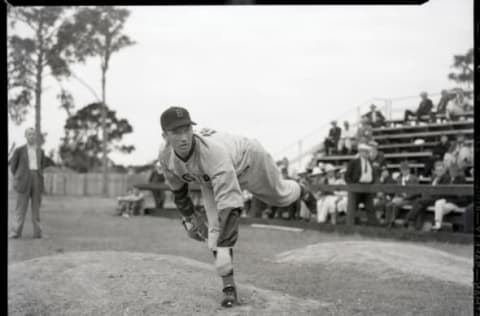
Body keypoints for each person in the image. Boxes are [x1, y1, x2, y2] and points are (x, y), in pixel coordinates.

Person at [157, 106, 314, 307]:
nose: (184, 137)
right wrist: (188, 217)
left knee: (280, 197)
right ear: (165, 136)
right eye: (176, 132)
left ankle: (303, 190)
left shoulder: (212, 152)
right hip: (210, 176)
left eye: (187, 129)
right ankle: (229, 288)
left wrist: (224, 247)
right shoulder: (165, 155)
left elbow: (230, 205)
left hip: (249, 160)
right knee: (215, 228)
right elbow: (178, 190)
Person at [9, 128, 48, 239]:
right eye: (29, 134)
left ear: (35, 136)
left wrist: (38, 176)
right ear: (25, 136)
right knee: (20, 207)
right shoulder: (19, 150)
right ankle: (15, 232)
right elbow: (13, 167)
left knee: (36, 207)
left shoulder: (41, 151)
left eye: (33, 134)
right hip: (23, 179)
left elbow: (42, 165)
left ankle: (38, 233)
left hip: (36, 177)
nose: (31, 136)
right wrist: (19, 177)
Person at [405, 161, 451, 230]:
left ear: (444, 170)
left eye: (441, 170)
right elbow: (429, 188)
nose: (439, 172)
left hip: (438, 198)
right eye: (437, 170)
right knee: (420, 206)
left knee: (418, 201)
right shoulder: (434, 177)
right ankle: (417, 226)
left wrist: (429, 194)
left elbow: (442, 191)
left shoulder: (446, 178)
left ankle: (408, 219)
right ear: (435, 171)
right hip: (430, 197)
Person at [344, 143, 378, 226]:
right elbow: (347, 176)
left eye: (367, 152)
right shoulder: (354, 162)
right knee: (353, 207)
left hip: (368, 188)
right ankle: (352, 224)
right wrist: (352, 185)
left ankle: (373, 225)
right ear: (361, 152)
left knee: (370, 207)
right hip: (357, 187)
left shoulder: (370, 162)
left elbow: (373, 175)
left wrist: (372, 182)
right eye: (365, 152)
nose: (367, 153)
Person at [432, 164, 470, 231]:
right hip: (448, 201)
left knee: (439, 208)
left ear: (457, 171)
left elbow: (459, 195)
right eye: (451, 171)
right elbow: (443, 191)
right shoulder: (447, 179)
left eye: (454, 171)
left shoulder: (461, 179)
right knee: (438, 203)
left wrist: (448, 196)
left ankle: (438, 226)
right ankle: (438, 226)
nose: (452, 172)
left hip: (456, 203)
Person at [384, 162, 420, 228]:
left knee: (396, 205)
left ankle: (391, 223)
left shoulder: (414, 178)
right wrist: (395, 198)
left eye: (405, 170)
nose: (404, 171)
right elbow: (397, 191)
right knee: (388, 205)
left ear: (409, 170)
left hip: (410, 199)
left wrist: (403, 198)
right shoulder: (399, 179)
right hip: (399, 198)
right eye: (402, 170)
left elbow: (415, 192)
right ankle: (387, 222)